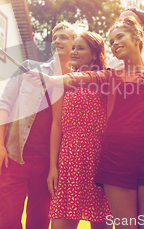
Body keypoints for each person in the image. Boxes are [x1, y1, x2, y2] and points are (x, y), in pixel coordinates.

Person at [26, 17, 144, 229]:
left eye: (120, 37)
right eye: (112, 41)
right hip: (118, 161)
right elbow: (78, 78)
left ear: (138, 37)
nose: (115, 43)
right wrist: (50, 80)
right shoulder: (110, 76)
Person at [0, 21, 79, 229]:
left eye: (63, 37)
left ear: (76, 42)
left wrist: (55, 166)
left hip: (49, 164)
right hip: (14, 156)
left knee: (38, 223)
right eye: (54, 36)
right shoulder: (29, 68)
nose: (56, 40)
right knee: (5, 220)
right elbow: (3, 104)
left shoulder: (79, 81)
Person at [48, 31, 111, 229]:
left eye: (80, 48)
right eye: (73, 47)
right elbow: (56, 124)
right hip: (69, 157)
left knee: (101, 222)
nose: (73, 52)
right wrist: (53, 166)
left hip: (98, 158)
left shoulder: (107, 81)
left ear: (95, 55)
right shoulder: (64, 82)